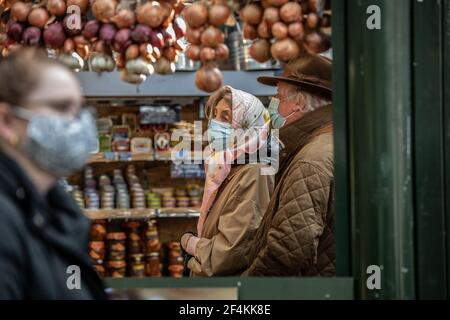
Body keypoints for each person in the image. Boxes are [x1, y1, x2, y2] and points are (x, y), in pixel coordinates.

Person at [0, 49, 106, 299]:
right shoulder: (6, 219)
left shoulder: (54, 209)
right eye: (61, 107)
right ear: (6, 121)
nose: (77, 123)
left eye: (79, 109)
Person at [243, 52, 335, 276]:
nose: (274, 106)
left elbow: (288, 250)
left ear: (298, 103)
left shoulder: (311, 160)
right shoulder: (326, 143)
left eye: (280, 98)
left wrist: (247, 289)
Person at [180, 85, 275, 276]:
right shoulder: (229, 166)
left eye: (225, 117)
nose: (214, 124)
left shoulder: (254, 174)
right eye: (214, 115)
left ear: (249, 127)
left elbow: (227, 254)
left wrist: (189, 244)